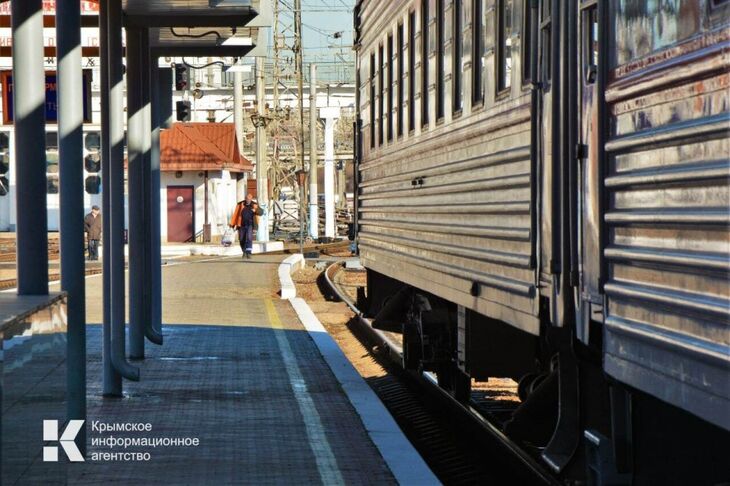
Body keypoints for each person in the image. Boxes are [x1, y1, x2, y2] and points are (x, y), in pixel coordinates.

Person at [230, 194, 263, 259]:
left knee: (249, 238)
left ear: (251, 199)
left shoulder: (254, 204)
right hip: (241, 225)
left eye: (249, 199)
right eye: (247, 199)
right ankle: (244, 251)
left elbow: (261, 212)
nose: (248, 200)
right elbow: (236, 214)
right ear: (245, 198)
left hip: (250, 224)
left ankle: (249, 252)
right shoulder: (240, 204)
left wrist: (255, 210)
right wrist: (232, 225)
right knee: (241, 239)